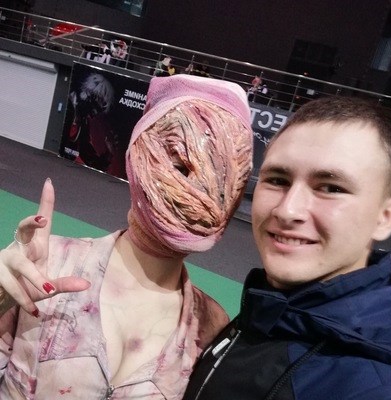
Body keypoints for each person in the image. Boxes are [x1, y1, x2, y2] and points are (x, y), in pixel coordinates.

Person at [0, 74, 253, 399]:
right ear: (137, 154)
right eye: (179, 163)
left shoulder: (210, 325)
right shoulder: (48, 265)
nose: (198, 188)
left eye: (223, 178)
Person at [183, 96, 391, 399]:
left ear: (385, 217)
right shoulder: (280, 309)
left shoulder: (377, 386)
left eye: (331, 188)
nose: (287, 210)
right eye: (277, 180)